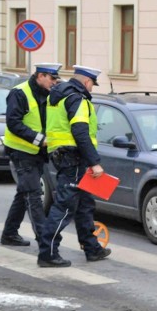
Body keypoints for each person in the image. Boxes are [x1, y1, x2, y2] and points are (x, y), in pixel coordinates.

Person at [37, 65, 111, 267]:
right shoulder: (77, 99)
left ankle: (92, 248)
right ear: (87, 82)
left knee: (85, 205)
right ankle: (47, 253)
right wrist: (95, 163)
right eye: (92, 85)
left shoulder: (58, 95)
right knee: (64, 206)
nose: (92, 89)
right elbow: (80, 132)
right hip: (74, 158)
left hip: (64, 155)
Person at [1, 63, 62, 247]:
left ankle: (9, 234)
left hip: (37, 152)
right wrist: (38, 139)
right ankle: (45, 242)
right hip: (21, 151)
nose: (55, 82)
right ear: (40, 76)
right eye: (52, 78)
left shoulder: (49, 93)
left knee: (23, 193)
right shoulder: (19, 92)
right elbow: (13, 122)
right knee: (34, 195)